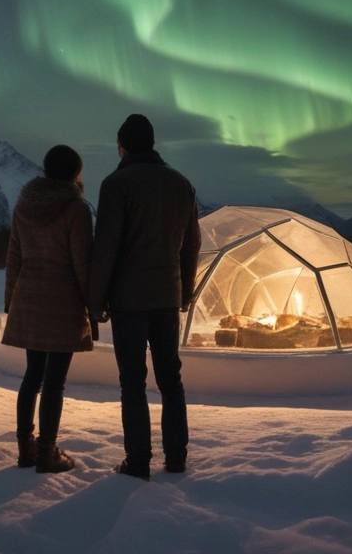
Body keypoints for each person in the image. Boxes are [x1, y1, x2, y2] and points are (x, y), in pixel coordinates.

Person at [89, 114, 201, 480]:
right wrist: (184, 290)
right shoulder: (181, 184)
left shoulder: (116, 184)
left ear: (121, 146)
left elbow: (106, 247)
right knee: (171, 378)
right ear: (152, 144)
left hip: (128, 301)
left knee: (133, 382)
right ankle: (177, 456)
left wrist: (96, 300)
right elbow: (191, 246)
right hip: (167, 296)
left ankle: (138, 461)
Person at [2, 144, 95, 473]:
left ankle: (25, 449)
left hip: (29, 299)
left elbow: (14, 258)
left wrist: (11, 301)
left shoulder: (24, 206)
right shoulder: (76, 209)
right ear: (75, 173)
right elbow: (83, 264)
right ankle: (46, 452)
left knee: (32, 377)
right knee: (54, 382)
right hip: (62, 303)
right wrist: (94, 306)